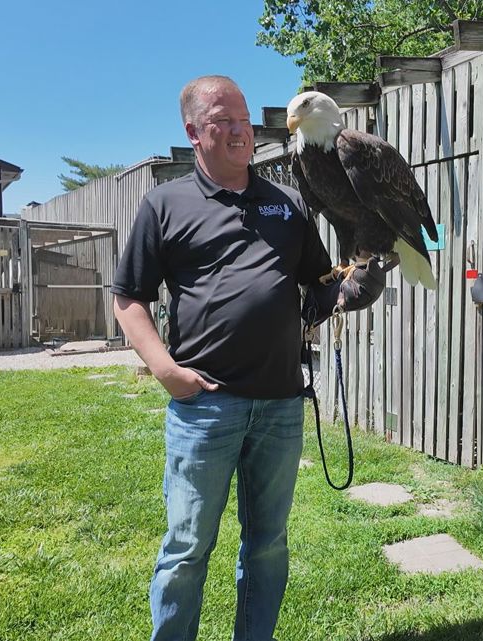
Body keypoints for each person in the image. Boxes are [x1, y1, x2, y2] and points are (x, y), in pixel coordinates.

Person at [110, 75, 380, 641]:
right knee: (186, 548)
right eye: (222, 121)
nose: (239, 132)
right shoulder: (166, 203)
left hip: (281, 405)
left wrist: (355, 286)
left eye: (243, 121)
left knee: (266, 547)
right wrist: (165, 370)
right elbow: (129, 297)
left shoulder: (288, 203)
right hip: (205, 406)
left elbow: (319, 286)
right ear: (193, 131)